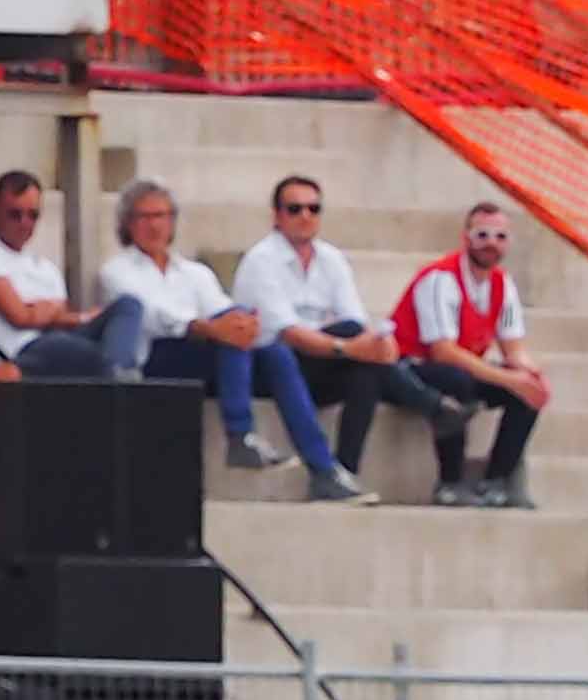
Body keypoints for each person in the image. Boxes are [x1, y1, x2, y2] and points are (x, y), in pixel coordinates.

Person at [102, 180, 342, 489]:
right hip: (155, 357)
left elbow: (223, 310)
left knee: (273, 352)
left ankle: (323, 468)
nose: (154, 225)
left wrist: (242, 323)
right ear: (128, 223)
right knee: (228, 336)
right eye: (144, 217)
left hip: (207, 356)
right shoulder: (117, 271)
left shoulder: (195, 273)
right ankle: (240, 433)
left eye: (161, 216)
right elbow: (152, 316)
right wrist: (210, 327)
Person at [231, 172, 440, 503]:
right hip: (272, 367)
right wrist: (349, 345)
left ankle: (343, 472)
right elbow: (290, 334)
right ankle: (430, 404)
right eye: (294, 209)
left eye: (313, 209)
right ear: (277, 216)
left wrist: (376, 346)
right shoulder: (261, 261)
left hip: (321, 362)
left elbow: (354, 319)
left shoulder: (331, 259)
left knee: (366, 372)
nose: (305, 216)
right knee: (352, 340)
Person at [0, 168, 149, 471]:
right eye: (15, 214)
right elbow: (18, 316)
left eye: (33, 215)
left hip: (56, 343)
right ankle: (117, 382)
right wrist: (46, 313)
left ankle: (121, 373)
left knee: (129, 305)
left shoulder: (45, 268)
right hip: (23, 350)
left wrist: (48, 313)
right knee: (85, 354)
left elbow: (57, 316)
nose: (24, 223)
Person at [390, 199, 547, 507]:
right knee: (457, 380)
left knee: (527, 391)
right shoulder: (441, 278)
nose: (491, 244)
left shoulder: (502, 284)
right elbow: (443, 351)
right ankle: (449, 482)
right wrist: (508, 378)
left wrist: (530, 374)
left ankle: (497, 480)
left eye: (500, 237)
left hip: (463, 365)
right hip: (411, 368)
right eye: (482, 235)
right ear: (466, 239)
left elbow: (513, 348)